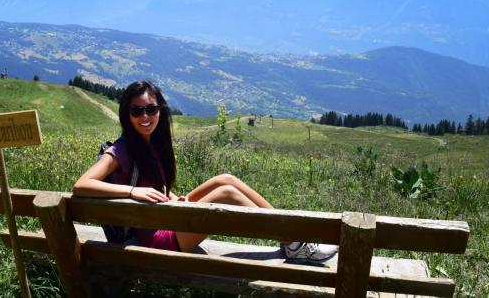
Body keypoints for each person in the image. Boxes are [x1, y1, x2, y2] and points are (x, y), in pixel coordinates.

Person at [73, 80, 337, 261]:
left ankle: (294, 239)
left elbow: (152, 183)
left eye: (151, 109)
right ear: (126, 114)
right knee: (227, 194)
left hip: (165, 218)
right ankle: (295, 245)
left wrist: (171, 197)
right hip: (156, 240)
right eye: (137, 111)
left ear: (160, 110)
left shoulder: (151, 143)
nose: (145, 116)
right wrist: (132, 192)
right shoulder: (122, 149)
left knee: (226, 179)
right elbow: (81, 185)